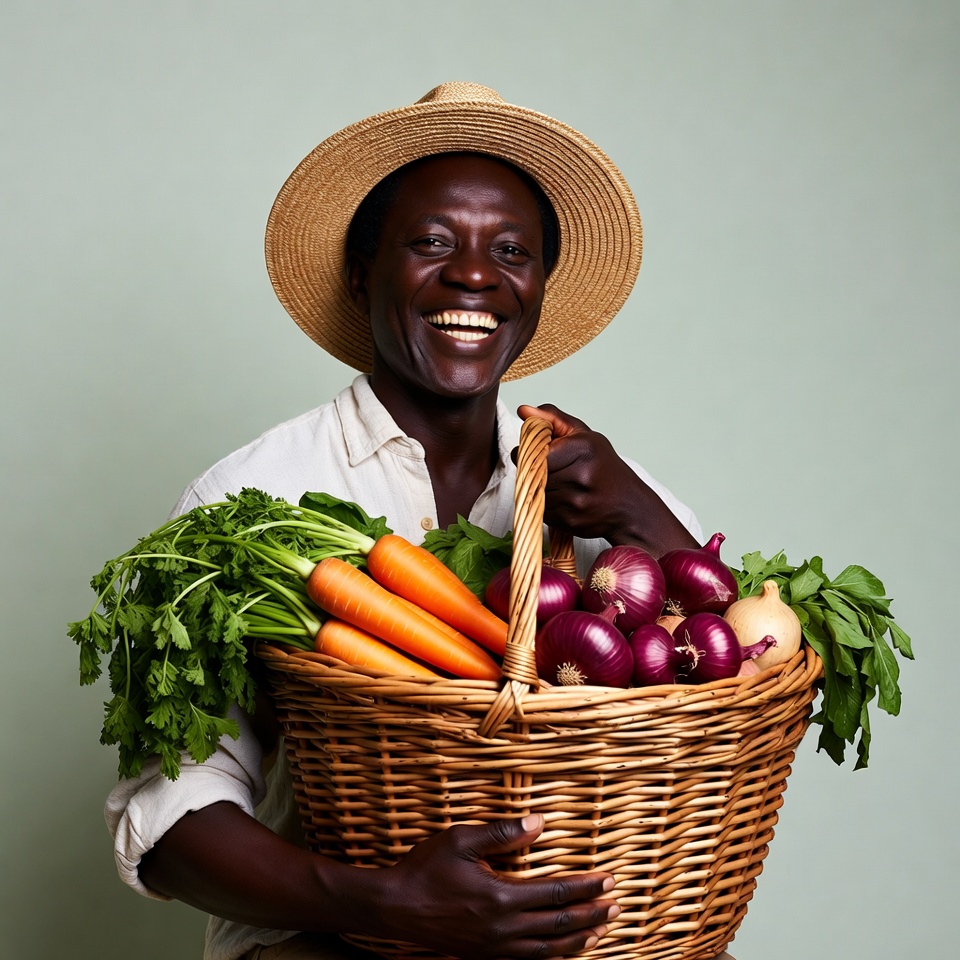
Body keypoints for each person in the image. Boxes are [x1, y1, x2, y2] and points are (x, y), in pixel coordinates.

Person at [104, 82, 734, 960]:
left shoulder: (601, 493)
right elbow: (167, 818)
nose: (475, 274)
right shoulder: (250, 501)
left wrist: (642, 516)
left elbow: (729, 697)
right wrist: (383, 902)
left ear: (540, 287)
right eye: (432, 243)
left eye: (511, 250)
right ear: (363, 273)